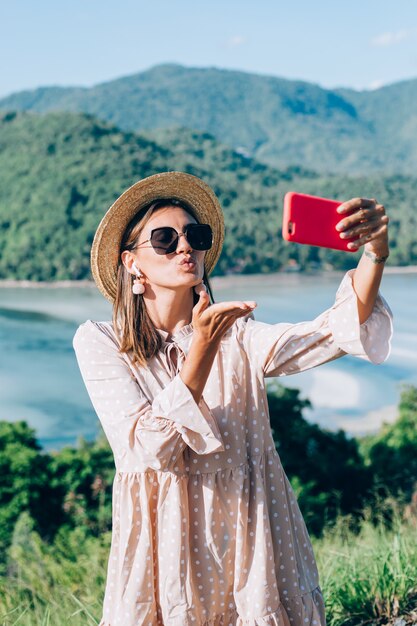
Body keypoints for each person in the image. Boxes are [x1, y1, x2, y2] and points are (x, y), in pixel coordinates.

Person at [72, 171, 393, 626]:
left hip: (249, 542)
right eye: (164, 238)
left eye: (194, 235)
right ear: (132, 263)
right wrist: (200, 351)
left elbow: (328, 334)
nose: (185, 246)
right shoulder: (101, 342)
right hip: (163, 556)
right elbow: (148, 448)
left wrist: (375, 253)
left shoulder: (236, 335)